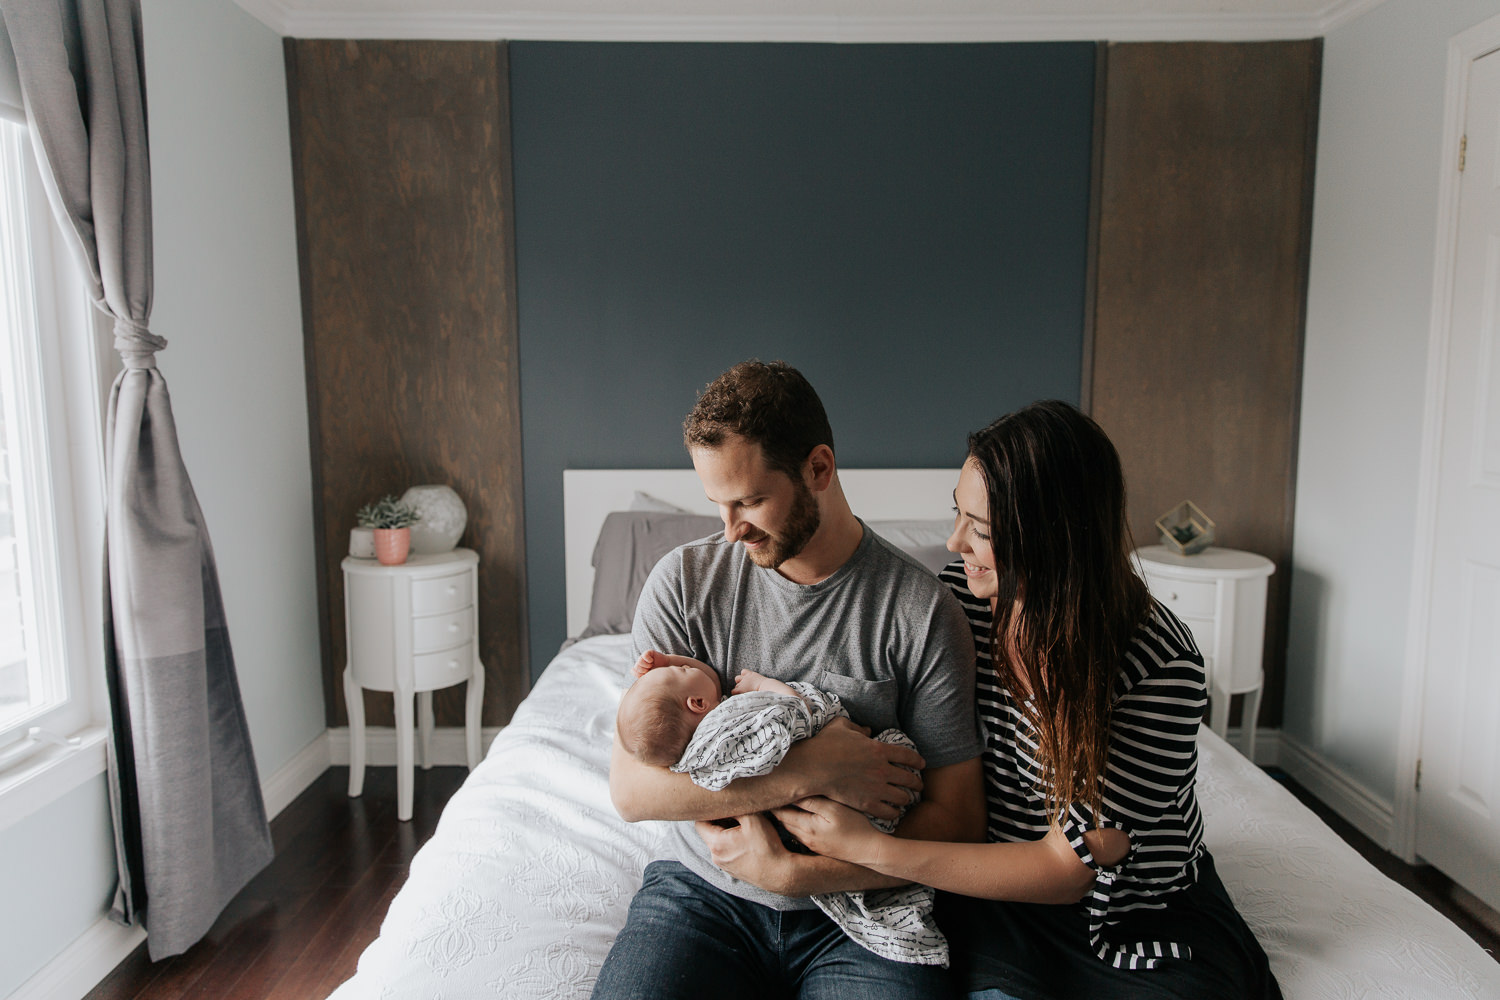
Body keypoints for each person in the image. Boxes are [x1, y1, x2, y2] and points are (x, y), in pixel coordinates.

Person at [776, 400, 1282, 1000]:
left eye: (983, 530)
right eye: (958, 513)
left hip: (1130, 908)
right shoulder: (962, 599)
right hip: (993, 889)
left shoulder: (1155, 665)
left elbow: (1071, 869)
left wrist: (874, 850)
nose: (955, 540)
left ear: (1055, 540)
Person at [592, 360, 984, 1000]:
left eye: (749, 501)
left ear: (819, 469)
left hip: (863, 914)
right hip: (704, 897)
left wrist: (803, 875)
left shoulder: (919, 612)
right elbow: (635, 791)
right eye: (717, 504)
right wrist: (816, 769)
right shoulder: (685, 584)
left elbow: (961, 818)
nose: (730, 529)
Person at [615, 649, 949, 967]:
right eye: (681, 669)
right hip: (707, 885)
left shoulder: (691, 727)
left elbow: (704, 682)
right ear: (698, 704)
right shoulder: (728, 724)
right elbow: (792, 707)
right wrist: (762, 687)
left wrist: (671, 662)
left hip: (816, 893)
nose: (690, 666)